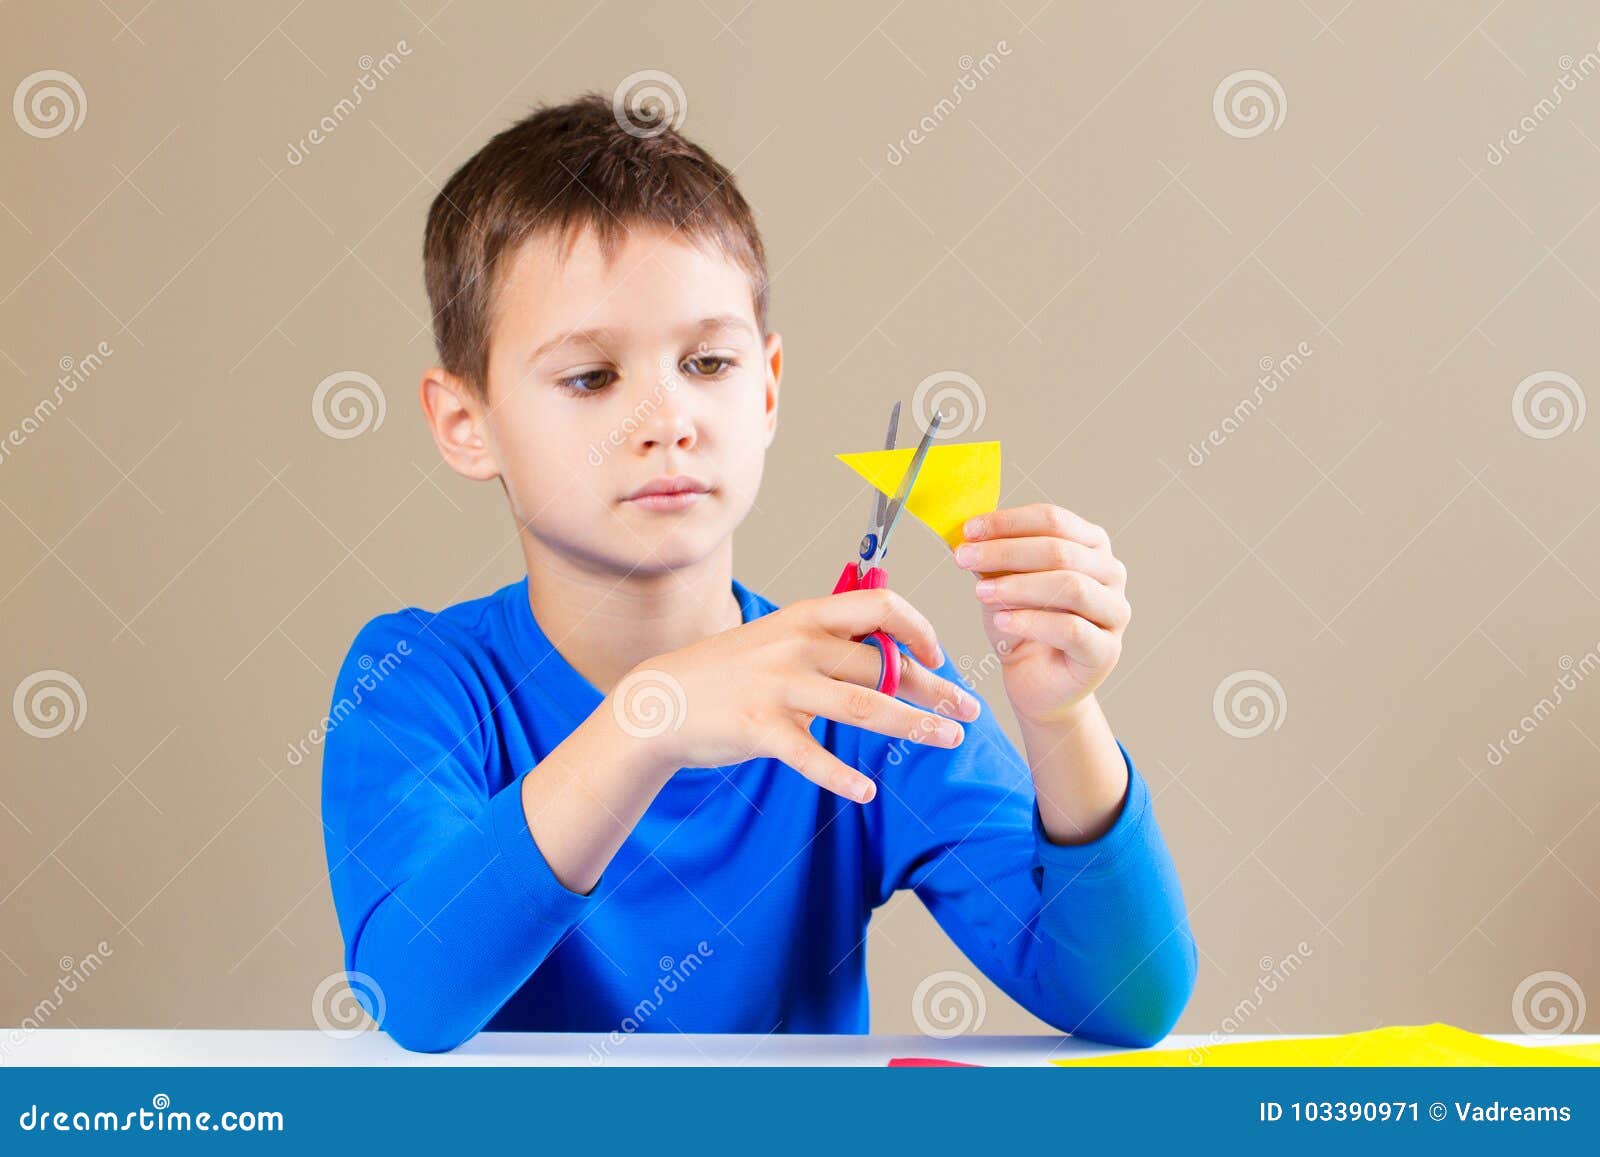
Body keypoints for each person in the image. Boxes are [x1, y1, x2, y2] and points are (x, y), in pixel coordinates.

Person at [319, 92, 1196, 1053]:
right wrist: (649, 719)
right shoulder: (420, 682)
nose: (666, 419)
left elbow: (1126, 1002)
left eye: (707, 362)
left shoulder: (858, 700)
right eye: (591, 378)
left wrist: (1063, 719)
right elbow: (413, 994)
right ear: (464, 422)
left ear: (768, 387)